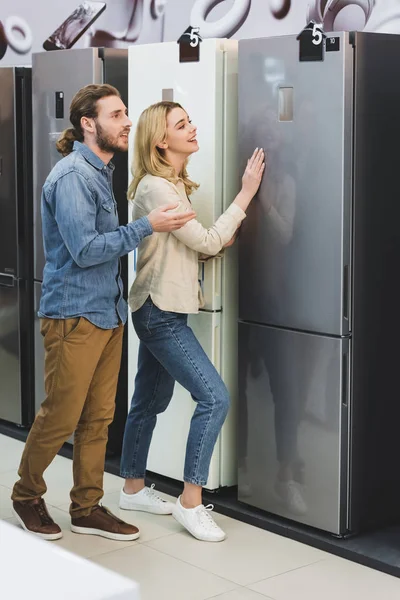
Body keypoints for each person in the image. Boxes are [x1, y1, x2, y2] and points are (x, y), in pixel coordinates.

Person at [11, 85, 195, 542]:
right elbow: (87, 250)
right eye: (117, 114)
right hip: (73, 316)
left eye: (126, 112)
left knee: (98, 419)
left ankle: (87, 506)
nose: (127, 121)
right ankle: (26, 494)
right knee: (60, 416)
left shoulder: (101, 171)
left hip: (107, 313)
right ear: (88, 125)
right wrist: (146, 226)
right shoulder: (73, 175)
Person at [119, 100, 265, 542]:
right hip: (161, 313)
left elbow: (201, 245)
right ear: (161, 142)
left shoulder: (170, 185)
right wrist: (246, 193)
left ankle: (131, 488)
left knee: (148, 402)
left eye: (189, 121)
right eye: (182, 125)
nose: (193, 127)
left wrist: (215, 239)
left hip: (158, 307)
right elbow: (207, 240)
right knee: (215, 398)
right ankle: (190, 501)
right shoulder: (159, 190)